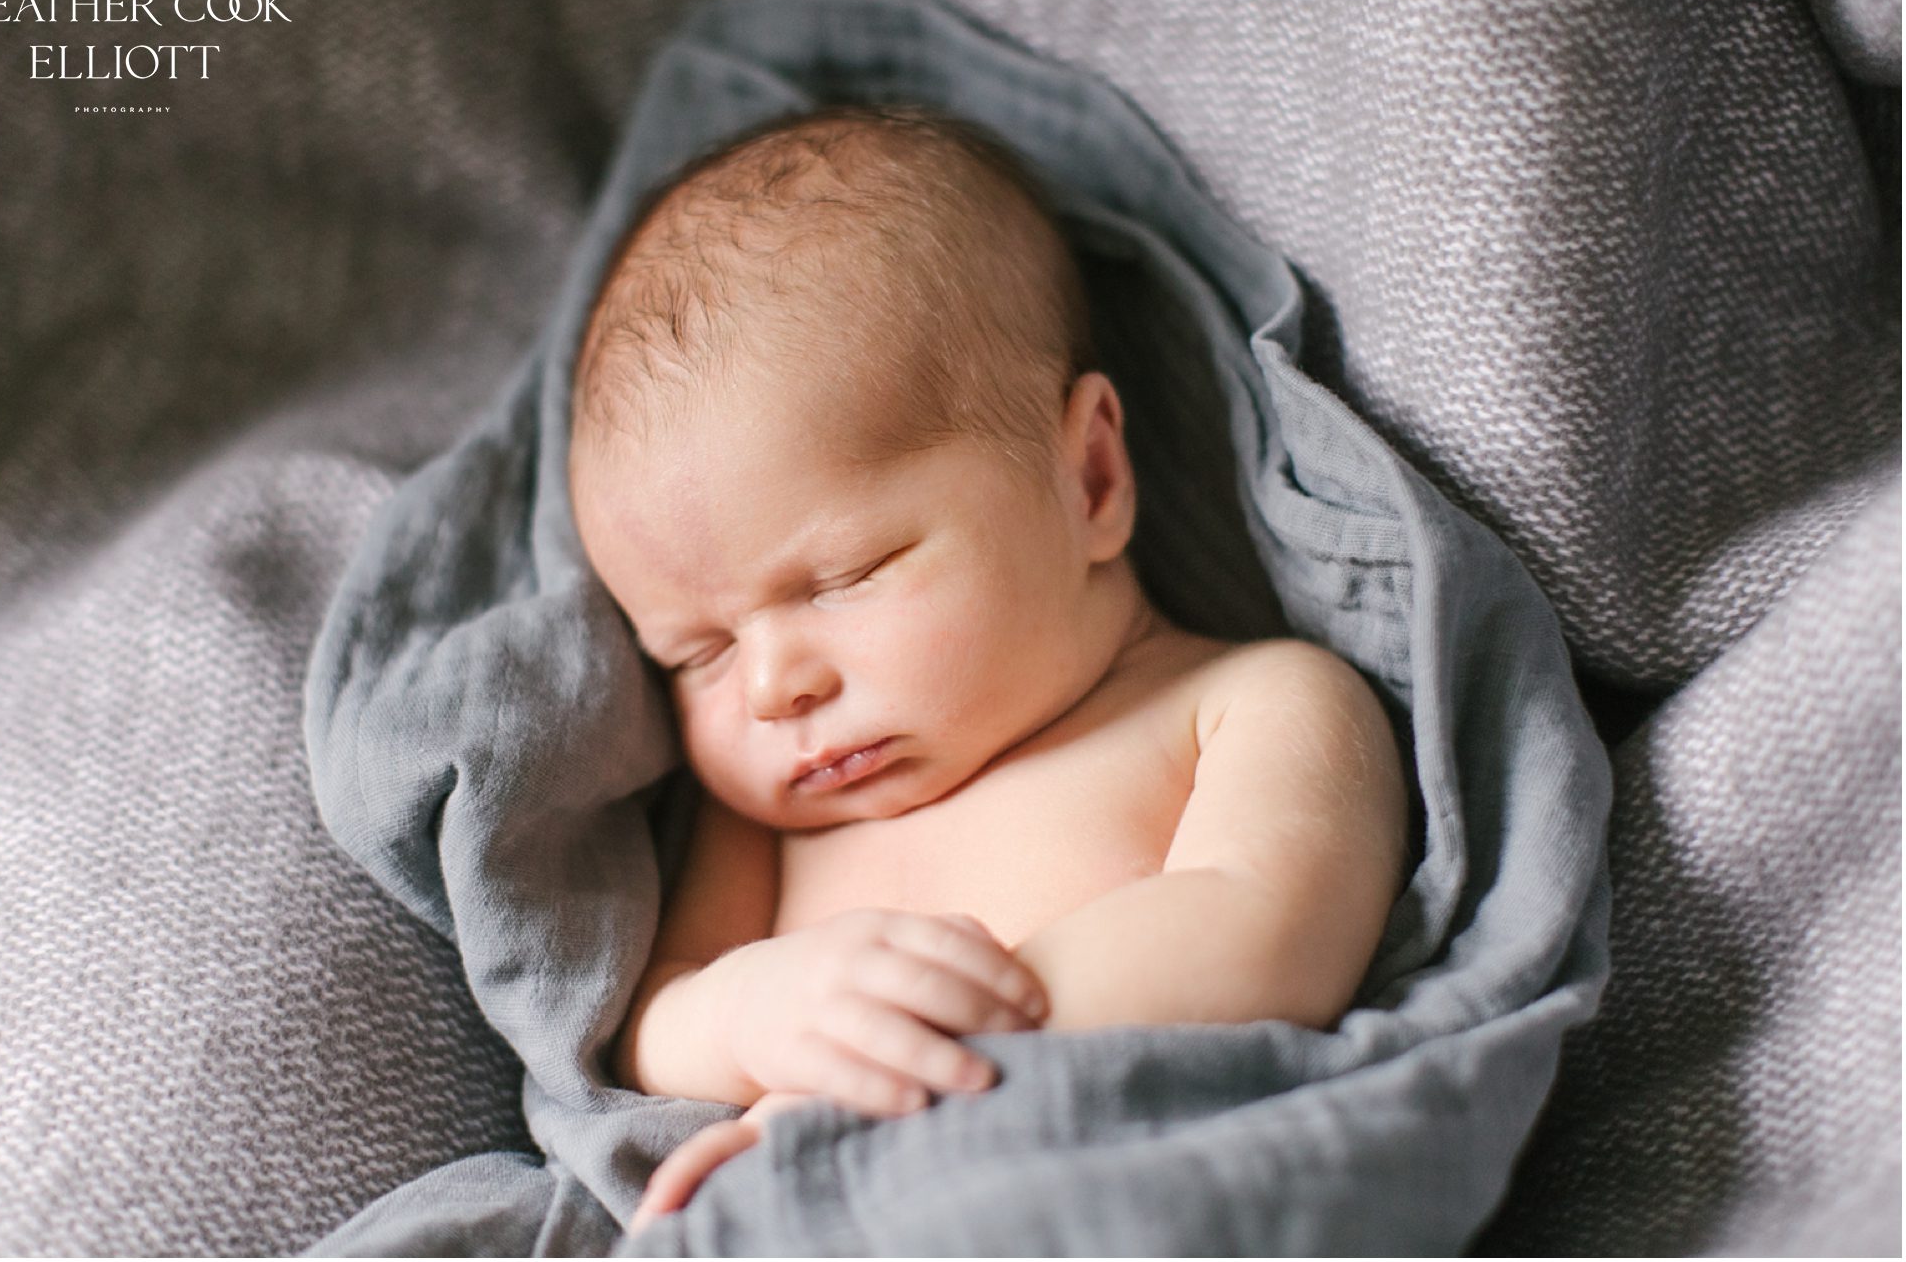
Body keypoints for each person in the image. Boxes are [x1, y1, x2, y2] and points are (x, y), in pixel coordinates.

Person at [565, 105, 1408, 1231]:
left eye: (843, 576)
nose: (772, 690)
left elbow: (1274, 936)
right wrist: (755, 1011)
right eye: (696, 652)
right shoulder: (776, 820)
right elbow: (654, 1024)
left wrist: (886, 1077)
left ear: (1091, 480)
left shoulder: (1247, 704)